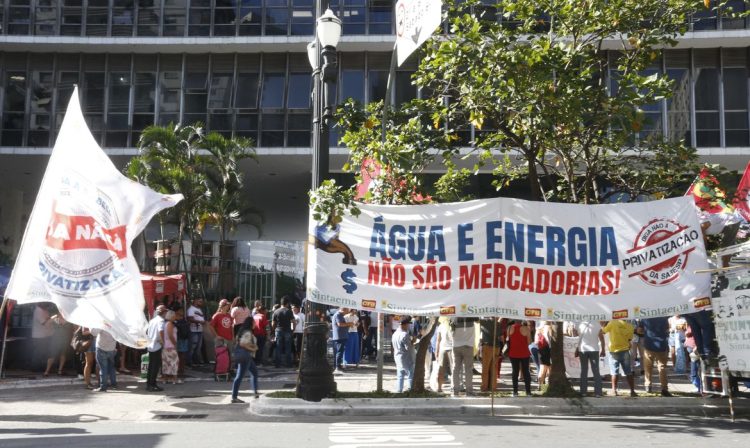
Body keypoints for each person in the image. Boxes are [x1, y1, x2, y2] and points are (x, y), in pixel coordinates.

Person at [601, 319, 637, 397]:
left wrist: (603, 324)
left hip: (614, 351)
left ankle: (614, 390)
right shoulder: (629, 326)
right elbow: (630, 338)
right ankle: (632, 391)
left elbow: (603, 331)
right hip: (625, 350)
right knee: (628, 372)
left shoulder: (612, 322)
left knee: (614, 372)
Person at [230, 318, 260, 403]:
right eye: (254, 322)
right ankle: (234, 397)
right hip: (245, 356)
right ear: (251, 323)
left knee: (254, 372)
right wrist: (253, 348)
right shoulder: (247, 332)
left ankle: (255, 393)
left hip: (246, 356)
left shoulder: (242, 331)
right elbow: (242, 344)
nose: (255, 323)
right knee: (239, 377)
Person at [640, 317, 672, 397]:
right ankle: (664, 388)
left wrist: (646, 333)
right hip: (662, 345)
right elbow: (667, 328)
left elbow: (639, 330)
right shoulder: (663, 317)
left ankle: (648, 386)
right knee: (662, 368)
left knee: (648, 367)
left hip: (649, 344)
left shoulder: (645, 317)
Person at [576, 320, 605, 397]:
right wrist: (603, 349)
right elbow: (601, 338)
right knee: (596, 371)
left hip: (583, 350)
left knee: (584, 371)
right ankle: (598, 392)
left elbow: (578, 337)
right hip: (594, 349)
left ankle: (583, 392)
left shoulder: (580, 323)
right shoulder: (597, 324)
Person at [451, 317, 477, 397]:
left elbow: (451, 332)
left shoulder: (454, 319)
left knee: (456, 369)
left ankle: (455, 391)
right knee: (468, 370)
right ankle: (469, 392)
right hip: (468, 346)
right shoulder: (472, 318)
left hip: (456, 346)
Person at [508, 320, 532, 397]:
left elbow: (507, 340)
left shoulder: (509, 328)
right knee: (526, 372)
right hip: (524, 353)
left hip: (513, 353)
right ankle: (528, 392)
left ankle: (515, 392)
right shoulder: (526, 329)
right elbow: (529, 342)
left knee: (515, 372)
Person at [146, 305, 167, 392]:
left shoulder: (152, 320)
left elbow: (147, 331)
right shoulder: (161, 321)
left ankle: (149, 384)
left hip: (150, 345)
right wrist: (163, 342)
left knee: (151, 366)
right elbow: (161, 331)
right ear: (164, 312)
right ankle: (152, 384)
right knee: (155, 366)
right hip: (156, 345)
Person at [392, 316, 415, 393]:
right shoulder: (405, 334)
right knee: (410, 375)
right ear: (405, 325)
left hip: (398, 357)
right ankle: (411, 390)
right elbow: (408, 347)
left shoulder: (395, 333)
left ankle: (399, 391)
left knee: (400, 375)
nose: (408, 326)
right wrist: (413, 342)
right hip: (406, 357)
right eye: (408, 324)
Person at [479, 317, 502, 393]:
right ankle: (493, 387)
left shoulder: (484, 321)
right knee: (494, 368)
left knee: (485, 368)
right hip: (497, 347)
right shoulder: (498, 324)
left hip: (487, 346)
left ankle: (484, 387)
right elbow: (501, 337)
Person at [45, 312, 72, 376]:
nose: (61, 313)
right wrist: (54, 316)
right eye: (60, 312)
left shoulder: (68, 319)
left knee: (63, 355)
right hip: (55, 340)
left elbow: (74, 328)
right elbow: (46, 324)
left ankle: (60, 370)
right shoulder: (55, 319)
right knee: (52, 355)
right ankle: (47, 371)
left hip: (65, 339)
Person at [91, 328, 117, 392]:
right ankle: (114, 384)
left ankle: (103, 386)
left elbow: (93, 333)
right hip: (112, 348)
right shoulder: (115, 322)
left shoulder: (103, 322)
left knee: (103, 368)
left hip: (101, 348)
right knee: (112, 367)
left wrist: (91, 326)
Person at [271, 296, 295, 368]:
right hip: (288, 330)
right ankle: (288, 364)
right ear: (287, 303)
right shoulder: (289, 311)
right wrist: (292, 329)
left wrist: (274, 329)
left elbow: (273, 323)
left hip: (278, 330)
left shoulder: (276, 311)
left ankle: (277, 364)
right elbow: (293, 322)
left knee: (278, 347)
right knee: (288, 347)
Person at [32, 303, 55, 373]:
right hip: (39, 336)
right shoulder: (38, 311)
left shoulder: (44, 310)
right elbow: (44, 323)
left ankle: (40, 367)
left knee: (43, 352)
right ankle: (35, 368)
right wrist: (53, 318)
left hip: (45, 335)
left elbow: (47, 320)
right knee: (39, 352)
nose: (47, 305)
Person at [434, 317, 454, 393]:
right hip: (443, 349)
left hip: (451, 348)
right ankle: (439, 387)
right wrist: (437, 351)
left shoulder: (452, 324)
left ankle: (453, 387)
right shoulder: (441, 326)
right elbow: (438, 340)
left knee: (453, 370)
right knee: (440, 369)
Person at [162, 309, 181, 385]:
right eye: (174, 315)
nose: (175, 317)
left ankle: (165, 379)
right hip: (170, 345)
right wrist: (175, 344)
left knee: (166, 362)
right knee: (174, 362)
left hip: (166, 345)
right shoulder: (169, 324)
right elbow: (170, 335)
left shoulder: (166, 323)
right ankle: (174, 379)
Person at [187, 297, 206, 366]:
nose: (201, 302)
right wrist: (200, 321)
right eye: (199, 301)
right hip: (193, 330)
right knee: (192, 346)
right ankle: (189, 361)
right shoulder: (191, 309)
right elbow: (190, 318)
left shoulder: (199, 309)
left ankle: (196, 361)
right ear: (195, 301)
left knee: (198, 346)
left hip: (199, 330)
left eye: (201, 301)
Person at [331, 307, 350, 374]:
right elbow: (340, 324)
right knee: (339, 352)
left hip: (341, 336)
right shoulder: (338, 315)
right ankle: (337, 367)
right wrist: (349, 324)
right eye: (347, 310)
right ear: (343, 310)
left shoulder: (340, 315)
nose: (348, 312)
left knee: (340, 352)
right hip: (339, 337)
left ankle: (338, 366)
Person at [174, 307, 190, 376]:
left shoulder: (175, 321)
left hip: (180, 339)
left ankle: (179, 370)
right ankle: (181, 370)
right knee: (182, 355)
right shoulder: (184, 321)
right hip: (184, 339)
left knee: (179, 355)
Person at [536, 320, 552, 389]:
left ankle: (540, 385)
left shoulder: (538, 330)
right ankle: (549, 384)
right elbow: (551, 340)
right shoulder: (549, 328)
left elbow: (536, 342)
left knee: (542, 368)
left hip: (541, 350)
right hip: (548, 349)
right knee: (550, 368)